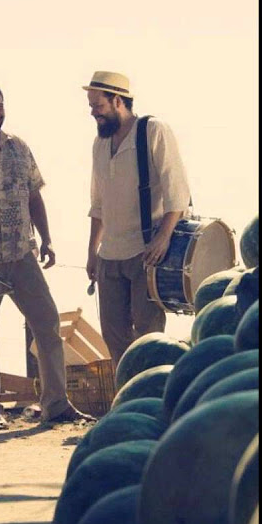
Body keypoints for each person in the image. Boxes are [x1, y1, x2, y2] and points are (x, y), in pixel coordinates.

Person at [0, 81, 96, 429]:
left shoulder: (19, 148)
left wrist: (47, 239)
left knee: (47, 322)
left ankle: (56, 404)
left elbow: (34, 195)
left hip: (22, 253)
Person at [83, 71, 192, 365]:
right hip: (110, 256)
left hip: (146, 253)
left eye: (98, 106)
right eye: (91, 106)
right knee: (113, 336)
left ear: (118, 101)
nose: (93, 113)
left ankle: (152, 389)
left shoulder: (153, 130)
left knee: (147, 337)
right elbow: (98, 204)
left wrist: (163, 238)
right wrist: (92, 251)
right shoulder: (99, 143)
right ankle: (127, 391)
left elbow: (177, 193)